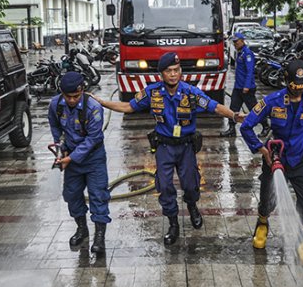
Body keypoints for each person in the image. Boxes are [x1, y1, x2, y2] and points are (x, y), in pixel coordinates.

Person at [93, 52, 245, 245]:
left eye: (176, 70)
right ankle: (173, 223)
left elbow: (214, 106)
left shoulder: (191, 92)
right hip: (164, 147)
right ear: (161, 74)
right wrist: (103, 102)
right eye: (169, 71)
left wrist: (234, 116)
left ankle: (192, 206)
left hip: (186, 146)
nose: (173, 74)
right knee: (164, 186)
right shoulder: (152, 92)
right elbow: (128, 107)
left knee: (190, 184)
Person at [239, 59, 303, 266]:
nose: (298, 93)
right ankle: (262, 224)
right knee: (267, 200)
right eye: (294, 87)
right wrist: (261, 149)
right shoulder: (271, 101)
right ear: (286, 81)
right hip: (274, 158)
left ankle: (302, 244)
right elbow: (246, 126)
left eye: (302, 88)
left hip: (299, 160)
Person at [48, 71, 111, 255]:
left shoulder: (93, 108)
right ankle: (82, 229)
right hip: (71, 158)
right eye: (68, 97)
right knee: (72, 195)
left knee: (98, 195)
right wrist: (61, 148)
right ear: (62, 93)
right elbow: (55, 126)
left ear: (82, 90)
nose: (72, 100)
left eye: (76, 96)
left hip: (93, 158)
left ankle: (99, 236)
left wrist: (71, 158)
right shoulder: (55, 105)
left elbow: (93, 139)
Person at [221, 32, 257, 137]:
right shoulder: (239, 53)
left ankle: (265, 125)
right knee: (233, 109)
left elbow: (250, 71)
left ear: (242, 41)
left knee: (254, 109)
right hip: (238, 87)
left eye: (237, 41)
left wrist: (246, 86)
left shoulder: (247, 53)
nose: (235, 44)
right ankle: (232, 129)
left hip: (247, 88)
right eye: (234, 42)